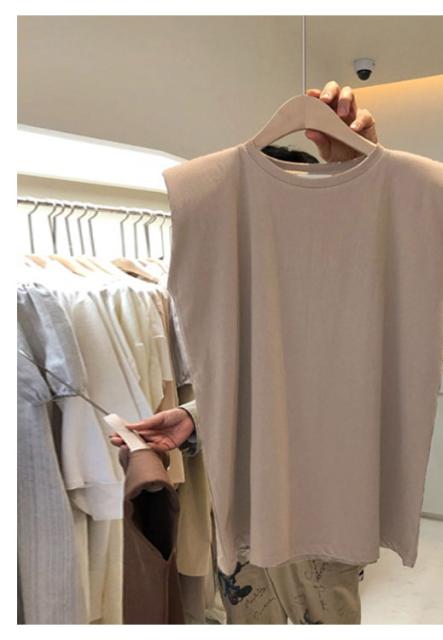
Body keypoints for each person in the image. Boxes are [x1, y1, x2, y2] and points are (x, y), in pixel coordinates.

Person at [109, 81, 378, 624]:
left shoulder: (349, 289)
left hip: (319, 512)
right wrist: (197, 416)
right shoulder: (238, 291)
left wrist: (357, 183)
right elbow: (265, 385)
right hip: (244, 513)